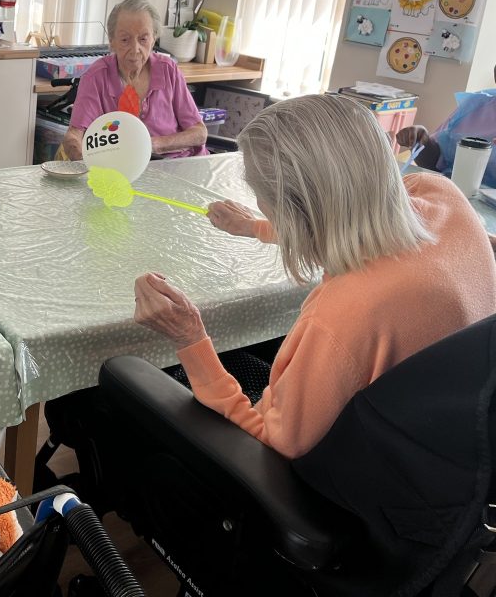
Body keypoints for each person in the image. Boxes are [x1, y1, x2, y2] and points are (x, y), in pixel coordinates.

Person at [133, 94, 496, 459]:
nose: (261, 206)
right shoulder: (445, 198)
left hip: (355, 476)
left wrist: (190, 337)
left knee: (135, 381)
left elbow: (268, 439)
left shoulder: (344, 313)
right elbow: (353, 215)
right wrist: (256, 227)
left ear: (293, 209)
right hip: (456, 445)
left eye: (262, 197)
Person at [62, 0, 208, 160]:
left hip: (178, 164)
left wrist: (153, 144)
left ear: (153, 39)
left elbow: (199, 133)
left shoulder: (168, 69)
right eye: (125, 40)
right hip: (122, 169)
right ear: (112, 42)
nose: (135, 49)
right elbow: (74, 136)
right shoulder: (96, 77)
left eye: (143, 39)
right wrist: (84, 163)